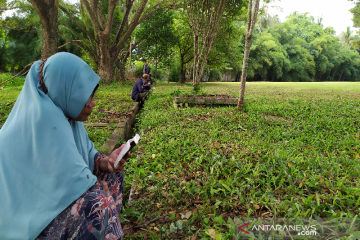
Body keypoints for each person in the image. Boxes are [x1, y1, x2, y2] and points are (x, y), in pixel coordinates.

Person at [0, 52, 130, 240]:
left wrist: (108, 162)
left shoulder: (67, 117)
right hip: (28, 219)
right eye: (86, 98)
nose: (92, 104)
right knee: (99, 204)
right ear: (66, 91)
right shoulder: (44, 120)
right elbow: (71, 179)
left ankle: (108, 231)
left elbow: (87, 156)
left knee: (113, 175)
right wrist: (98, 188)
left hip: (49, 201)